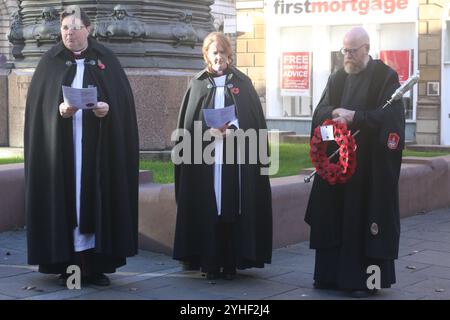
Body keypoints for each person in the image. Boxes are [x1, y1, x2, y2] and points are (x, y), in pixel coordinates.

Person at [24, 6, 139, 287]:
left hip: (96, 150)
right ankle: (67, 265)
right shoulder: (50, 63)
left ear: (88, 29)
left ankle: (95, 266)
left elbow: (121, 106)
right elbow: (40, 112)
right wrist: (58, 111)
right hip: (62, 151)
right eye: (64, 28)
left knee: (94, 199)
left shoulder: (106, 60)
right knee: (66, 200)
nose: (69, 32)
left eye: (75, 27)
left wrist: (106, 110)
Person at [305, 27, 405, 298]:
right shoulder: (337, 77)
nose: (347, 56)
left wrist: (356, 117)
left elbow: (391, 119)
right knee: (333, 218)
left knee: (361, 220)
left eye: (352, 51)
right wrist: (335, 112)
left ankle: (365, 281)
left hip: (368, 169)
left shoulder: (385, 77)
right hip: (337, 166)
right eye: (344, 50)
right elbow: (319, 112)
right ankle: (328, 277)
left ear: (366, 48)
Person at [173, 32, 272, 280]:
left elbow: (253, 121)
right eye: (213, 52)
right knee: (209, 203)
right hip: (205, 158)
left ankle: (232, 261)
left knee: (232, 203)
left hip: (235, 156)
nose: (219, 57)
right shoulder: (197, 84)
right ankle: (209, 261)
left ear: (230, 54)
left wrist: (235, 129)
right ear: (207, 55)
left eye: (222, 52)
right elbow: (187, 125)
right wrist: (207, 132)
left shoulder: (243, 83)